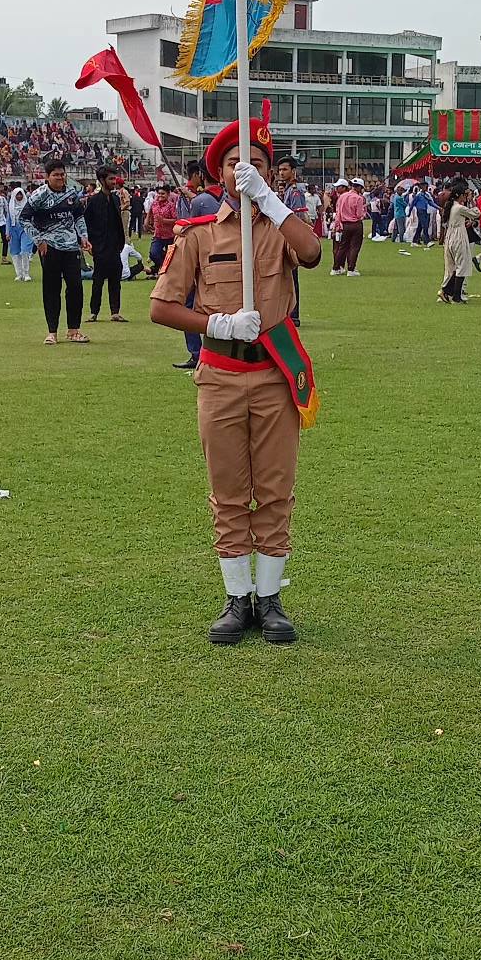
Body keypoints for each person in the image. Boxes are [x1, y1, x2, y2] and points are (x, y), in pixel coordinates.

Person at [150, 105, 322, 646]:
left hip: (275, 377)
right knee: (228, 492)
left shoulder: (280, 229)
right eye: (233, 161)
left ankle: (269, 600)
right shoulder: (198, 236)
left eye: (257, 163)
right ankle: (236, 597)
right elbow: (162, 306)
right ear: (217, 173)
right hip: (221, 375)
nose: (244, 169)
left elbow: (313, 252)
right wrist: (217, 321)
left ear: (269, 174)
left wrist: (271, 204)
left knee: (274, 491)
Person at [20, 156, 93, 344]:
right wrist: (39, 240)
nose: (60, 178)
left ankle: (74, 330)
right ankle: (52, 332)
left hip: (70, 247)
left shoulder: (71, 194)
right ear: (47, 176)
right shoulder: (39, 196)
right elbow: (24, 218)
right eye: (56, 175)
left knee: (76, 287)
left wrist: (83, 236)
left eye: (62, 174)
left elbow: (78, 217)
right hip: (50, 248)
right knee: (52, 289)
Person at [172, 160, 222, 372]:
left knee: (189, 307)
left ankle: (196, 352)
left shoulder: (200, 201)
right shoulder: (230, 198)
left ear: (201, 175)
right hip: (225, 261)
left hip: (201, 260)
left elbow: (189, 232)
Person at [84, 165, 127, 323]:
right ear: (102, 180)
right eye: (110, 179)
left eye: (114, 178)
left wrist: (121, 241)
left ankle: (115, 311)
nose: (114, 181)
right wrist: (89, 243)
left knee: (116, 280)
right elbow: (87, 222)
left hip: (115, 246)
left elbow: (117, 222)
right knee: (98, 280)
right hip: (100, 246)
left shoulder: (115, 198)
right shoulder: (94, 200)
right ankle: (94, 312)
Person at [277, 155, 310, 324]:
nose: (281, 173)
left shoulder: (295, 191)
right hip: (286, 236)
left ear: (293, 171)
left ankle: (294, 315)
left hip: (291, 237)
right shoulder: (288, 190)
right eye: (280, 170)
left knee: (292, 277)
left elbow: (296, 217)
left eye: (285, 169)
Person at [437, 178, 479, 302]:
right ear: (460, 195)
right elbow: (476, 213)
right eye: (465, 195)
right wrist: (472, 201)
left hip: (450, 236)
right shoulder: (459, 207)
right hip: (458, 236)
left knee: (452, 267)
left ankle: (451, 293)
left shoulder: (451, 207)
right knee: (462, 265)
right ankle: (450, 293)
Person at [332, 177, 365, 276]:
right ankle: (351, 269)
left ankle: (336, 268)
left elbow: (339, 212)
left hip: (344, 224)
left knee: (342, 247)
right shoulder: (359, 198)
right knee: (354, 247)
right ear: (359, 187)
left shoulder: (342, 196)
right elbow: (359, 215)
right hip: (355, 224)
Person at [148, 179, 179, 275]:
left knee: (172, 255)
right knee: (153, 253)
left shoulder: (171, 206)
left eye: (163, 194)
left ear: (168, 194)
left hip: (170, 235)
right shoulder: (154, 203)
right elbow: (150, 212)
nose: (160, 195)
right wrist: (147, 220)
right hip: (158, 235)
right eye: (159, 193)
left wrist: (164, 221)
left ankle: (165, 269)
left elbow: (176, 220)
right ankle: (163, 266)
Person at [7, 184, 34, 281]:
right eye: (17, 195)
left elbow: (32, 218)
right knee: (15, 252)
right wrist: (7, 232)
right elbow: (8, 220)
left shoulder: (27, 205)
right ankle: (19, 274)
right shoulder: (10, 206)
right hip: (14, 230)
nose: (19, 197)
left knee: (25, 251)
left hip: (25, 229)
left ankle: (26, 273)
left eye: (20, 195)